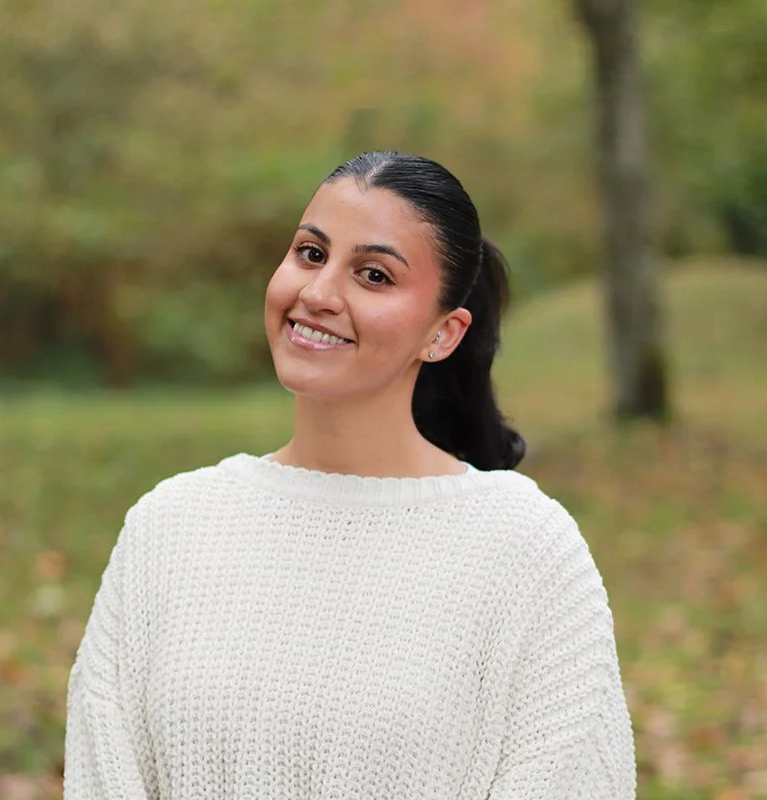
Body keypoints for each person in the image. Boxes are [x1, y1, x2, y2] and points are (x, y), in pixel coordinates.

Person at [64, 151, 636, 798]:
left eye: (372, 275)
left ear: (443, 335)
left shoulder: (525, 548)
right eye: (310, 254)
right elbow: (102, 775)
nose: (318, 293)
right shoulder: (169, 528)